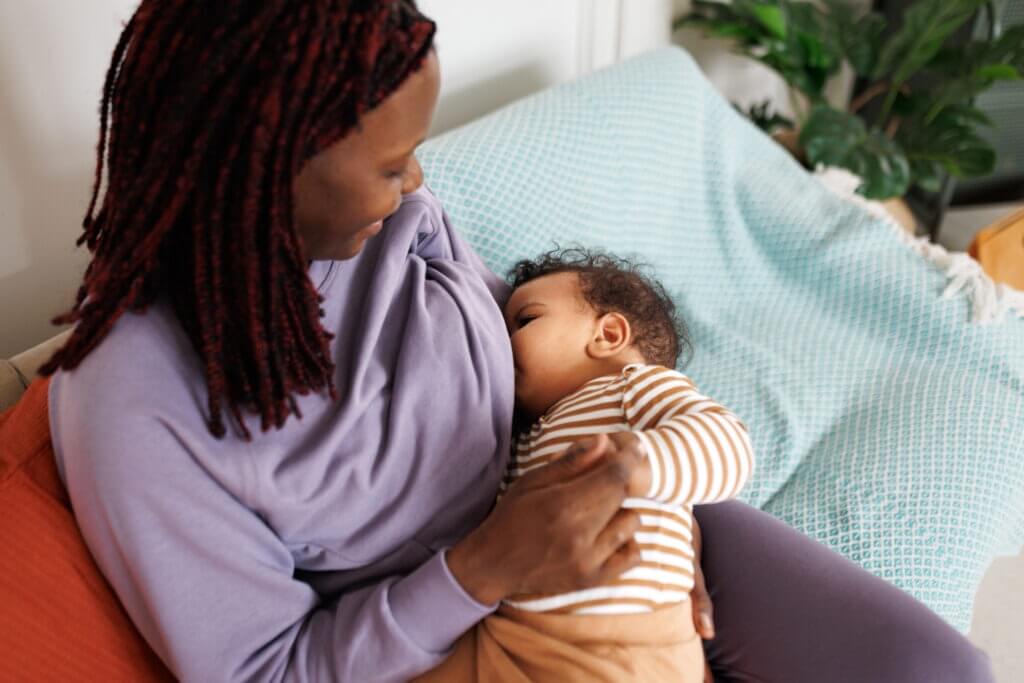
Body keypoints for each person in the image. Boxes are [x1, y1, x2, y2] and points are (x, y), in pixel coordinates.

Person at [40, 2, 994, 681]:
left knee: (939, 668)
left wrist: (661, 503)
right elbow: (270, 668)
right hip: (461, 635)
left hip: (614, 504)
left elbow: (544, 346)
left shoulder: (391, 222)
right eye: (389, 163)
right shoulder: (132, 397)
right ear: (259, 166)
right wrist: (488, 564)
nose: (420, 183)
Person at [417, 248, 753, 682]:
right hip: (512, 635)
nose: (502, 338)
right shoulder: (520, 434)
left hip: (624, 642)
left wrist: (637, 466)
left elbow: (727, 443)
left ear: (609, 334)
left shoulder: (633, 389)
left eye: (525, 320)